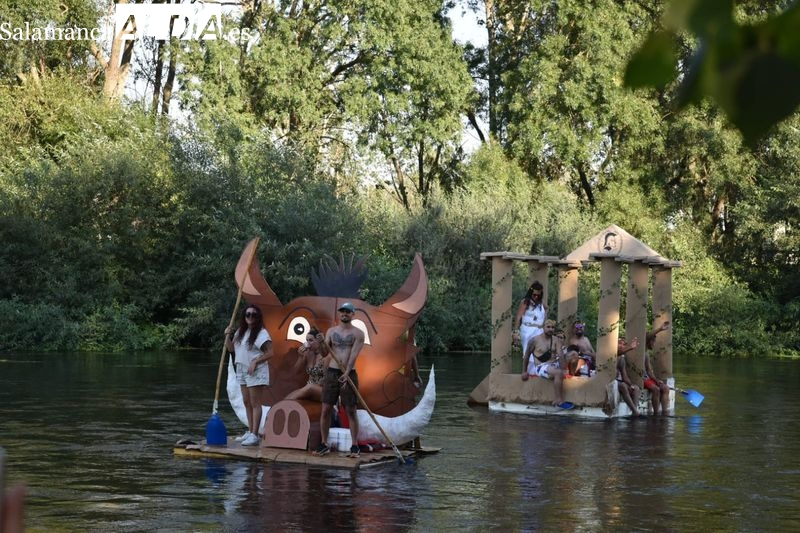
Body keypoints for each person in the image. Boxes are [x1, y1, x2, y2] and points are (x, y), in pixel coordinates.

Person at [314, 302, 365, 457]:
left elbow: (354, 355)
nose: (344, 314)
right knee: (326, 408)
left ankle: (354, 445)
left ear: (352, 314)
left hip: (349, 373)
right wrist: (322, 342)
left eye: (348, 312)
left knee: (350, 409)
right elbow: (324, 353)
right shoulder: (331, 331)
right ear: (339, 314)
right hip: (332, 373)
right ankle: (324, 444)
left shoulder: (358, 334)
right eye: (342, 311)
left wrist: (347, 372)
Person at [225, 304, 273, 446]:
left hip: (255, 370)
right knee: (246, 402)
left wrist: (256, 362)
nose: (250, 317)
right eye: (248, 314)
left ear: (258, 317)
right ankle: (250, 430)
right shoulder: (241, 331)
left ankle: (255, 434)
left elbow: (271, 353)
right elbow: (230, 348)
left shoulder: (261, 333)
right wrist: (227, 335)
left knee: (255, 403)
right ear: (244, 316)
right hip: (241, 368)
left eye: (253, 315)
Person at [521, 319, 569, 407]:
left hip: (554, 364)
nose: (551, 329)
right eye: (548, 327)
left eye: (553, 327)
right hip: (541, 366)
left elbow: (561, 355)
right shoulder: (534, 340)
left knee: (573, 355)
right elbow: (527, 356)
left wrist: (564, 369)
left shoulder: (556, 340)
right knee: (558, 372)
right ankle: (558, 399)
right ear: (543, 328)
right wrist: (524, 371)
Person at [286, 328, 330, 402]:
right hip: (309, 389)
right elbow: (295, 372)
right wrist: (300, 357)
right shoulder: (307, 354)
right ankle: (280, 407)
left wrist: (313, 386)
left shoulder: (327, 356)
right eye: (307, 340)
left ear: (319, 341)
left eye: (311, 340)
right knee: (295, 392)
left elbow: (328, 379)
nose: (308, 343)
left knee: (309, 387)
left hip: (324, 391)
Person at [512, 281, 548, 359]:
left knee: (540, 352)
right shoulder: (525, 302)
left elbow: (547, 308)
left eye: (538, 295)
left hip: (539, 330)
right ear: (530, 293)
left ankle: (537, 370)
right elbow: (518, 317)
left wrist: (544, 320)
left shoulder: (541, 303)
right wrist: (516, 332)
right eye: (534, 295)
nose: (536, 297)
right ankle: (527, 370)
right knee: (528, 353)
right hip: (527, 329)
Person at [643, 322, 671, 415]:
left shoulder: (646, 353)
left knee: (665, 388)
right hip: (641, 379)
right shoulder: (641, 349)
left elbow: (649, 370)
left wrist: (657, 380)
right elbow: (647, 336)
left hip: (647, 378)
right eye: (653, 342)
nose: (654, 344)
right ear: (649, 341)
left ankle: (665, 412)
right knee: (656, 389)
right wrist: (660, 329)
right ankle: (656, 414)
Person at [617, 336, 641, 416]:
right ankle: (635, 411)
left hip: (619, 382)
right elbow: (617, 352)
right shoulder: (611, 354)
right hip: (610, 381)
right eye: (620, 343)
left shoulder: (622, 359)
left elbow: (624, 376)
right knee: (623, 385)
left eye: (624, 344)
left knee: (636, 388)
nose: (622, 346)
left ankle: (634, 411)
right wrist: (631, 347)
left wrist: (631, 385)